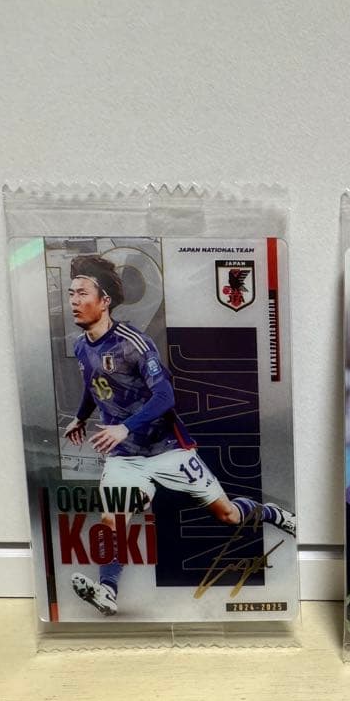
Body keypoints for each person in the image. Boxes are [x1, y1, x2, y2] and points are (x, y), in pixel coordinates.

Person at [62, 254, 296, 616]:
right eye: (71, 293)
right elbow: (95, 387)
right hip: (125, 457)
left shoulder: (133, 343)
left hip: (168, 449)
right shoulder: (81, 346)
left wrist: (125, 426)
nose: (74, 301)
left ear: (104, 300)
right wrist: (80, 418)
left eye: (82, 293)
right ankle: (107, 590)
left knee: (228, 516)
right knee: (113, 519)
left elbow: (165, 396)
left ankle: (271, 514)